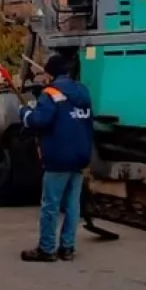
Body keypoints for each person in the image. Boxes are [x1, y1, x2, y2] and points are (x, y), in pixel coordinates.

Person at [19, 53, 94, 262]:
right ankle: (67, 248)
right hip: (80, 155)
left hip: (59, 157)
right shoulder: (83, 91)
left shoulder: (51, 93)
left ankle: (46, 249)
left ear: (50, 74)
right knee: (72, 205)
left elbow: (38, 121)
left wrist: (24, 112)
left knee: (50, 205)